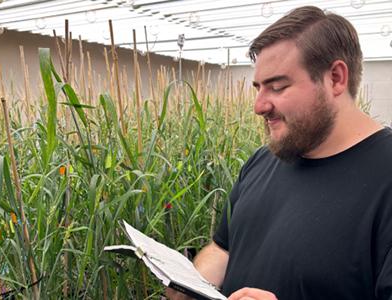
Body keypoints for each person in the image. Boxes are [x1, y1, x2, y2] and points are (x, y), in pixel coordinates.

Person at [167, 5, 392, 300]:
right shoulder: (263, 160)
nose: (259, 106)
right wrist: (189, 285)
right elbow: (223, 250)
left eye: (277, 87)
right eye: (258, 87)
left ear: (336, 78)